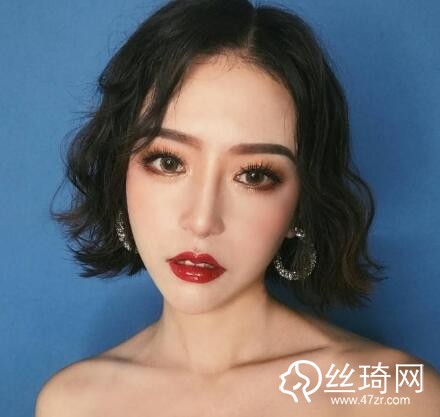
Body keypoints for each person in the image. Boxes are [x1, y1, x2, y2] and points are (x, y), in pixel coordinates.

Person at [35, 0, 440, 415]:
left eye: (254, 175)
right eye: (169, 162)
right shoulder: (73, 403)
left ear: (301, 203)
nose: (202, 221)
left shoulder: (395, 397)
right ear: (120, 172)